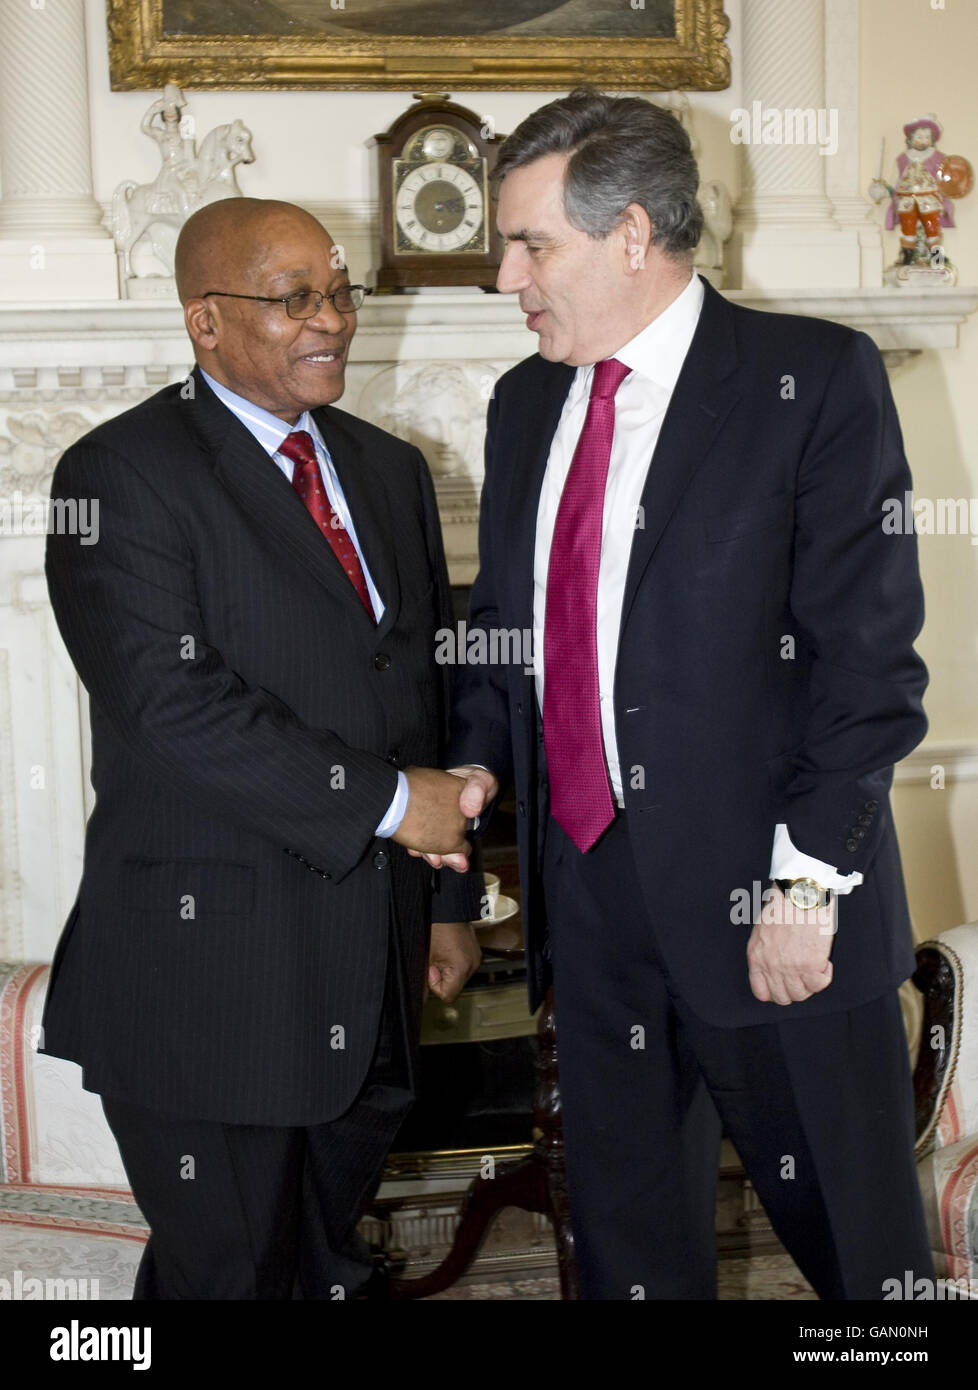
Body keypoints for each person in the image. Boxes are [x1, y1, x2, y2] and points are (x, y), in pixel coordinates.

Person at [441, 89, 935, 1300]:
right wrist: (472, 764)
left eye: (530, 244)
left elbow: (868, 668)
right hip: (592, 903)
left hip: (777, 912)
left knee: (861, 1263)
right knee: (628, 1254)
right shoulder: (525, 402)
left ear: (633, 235)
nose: (507, 276)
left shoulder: (813, 379)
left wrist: (802, 885)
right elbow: (512, 624)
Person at [42, 197, 482, 1300]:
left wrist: (442, 907)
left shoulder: (388, 468)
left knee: (319, 1266)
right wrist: (392, 805)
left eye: (339, 291)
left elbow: (418, 691)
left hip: (371, 970)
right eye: (294, 300)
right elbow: (171, 705)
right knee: (229, 1277)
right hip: (211, 983)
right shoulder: (115, 475)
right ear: (205, 319)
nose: (331, 320)